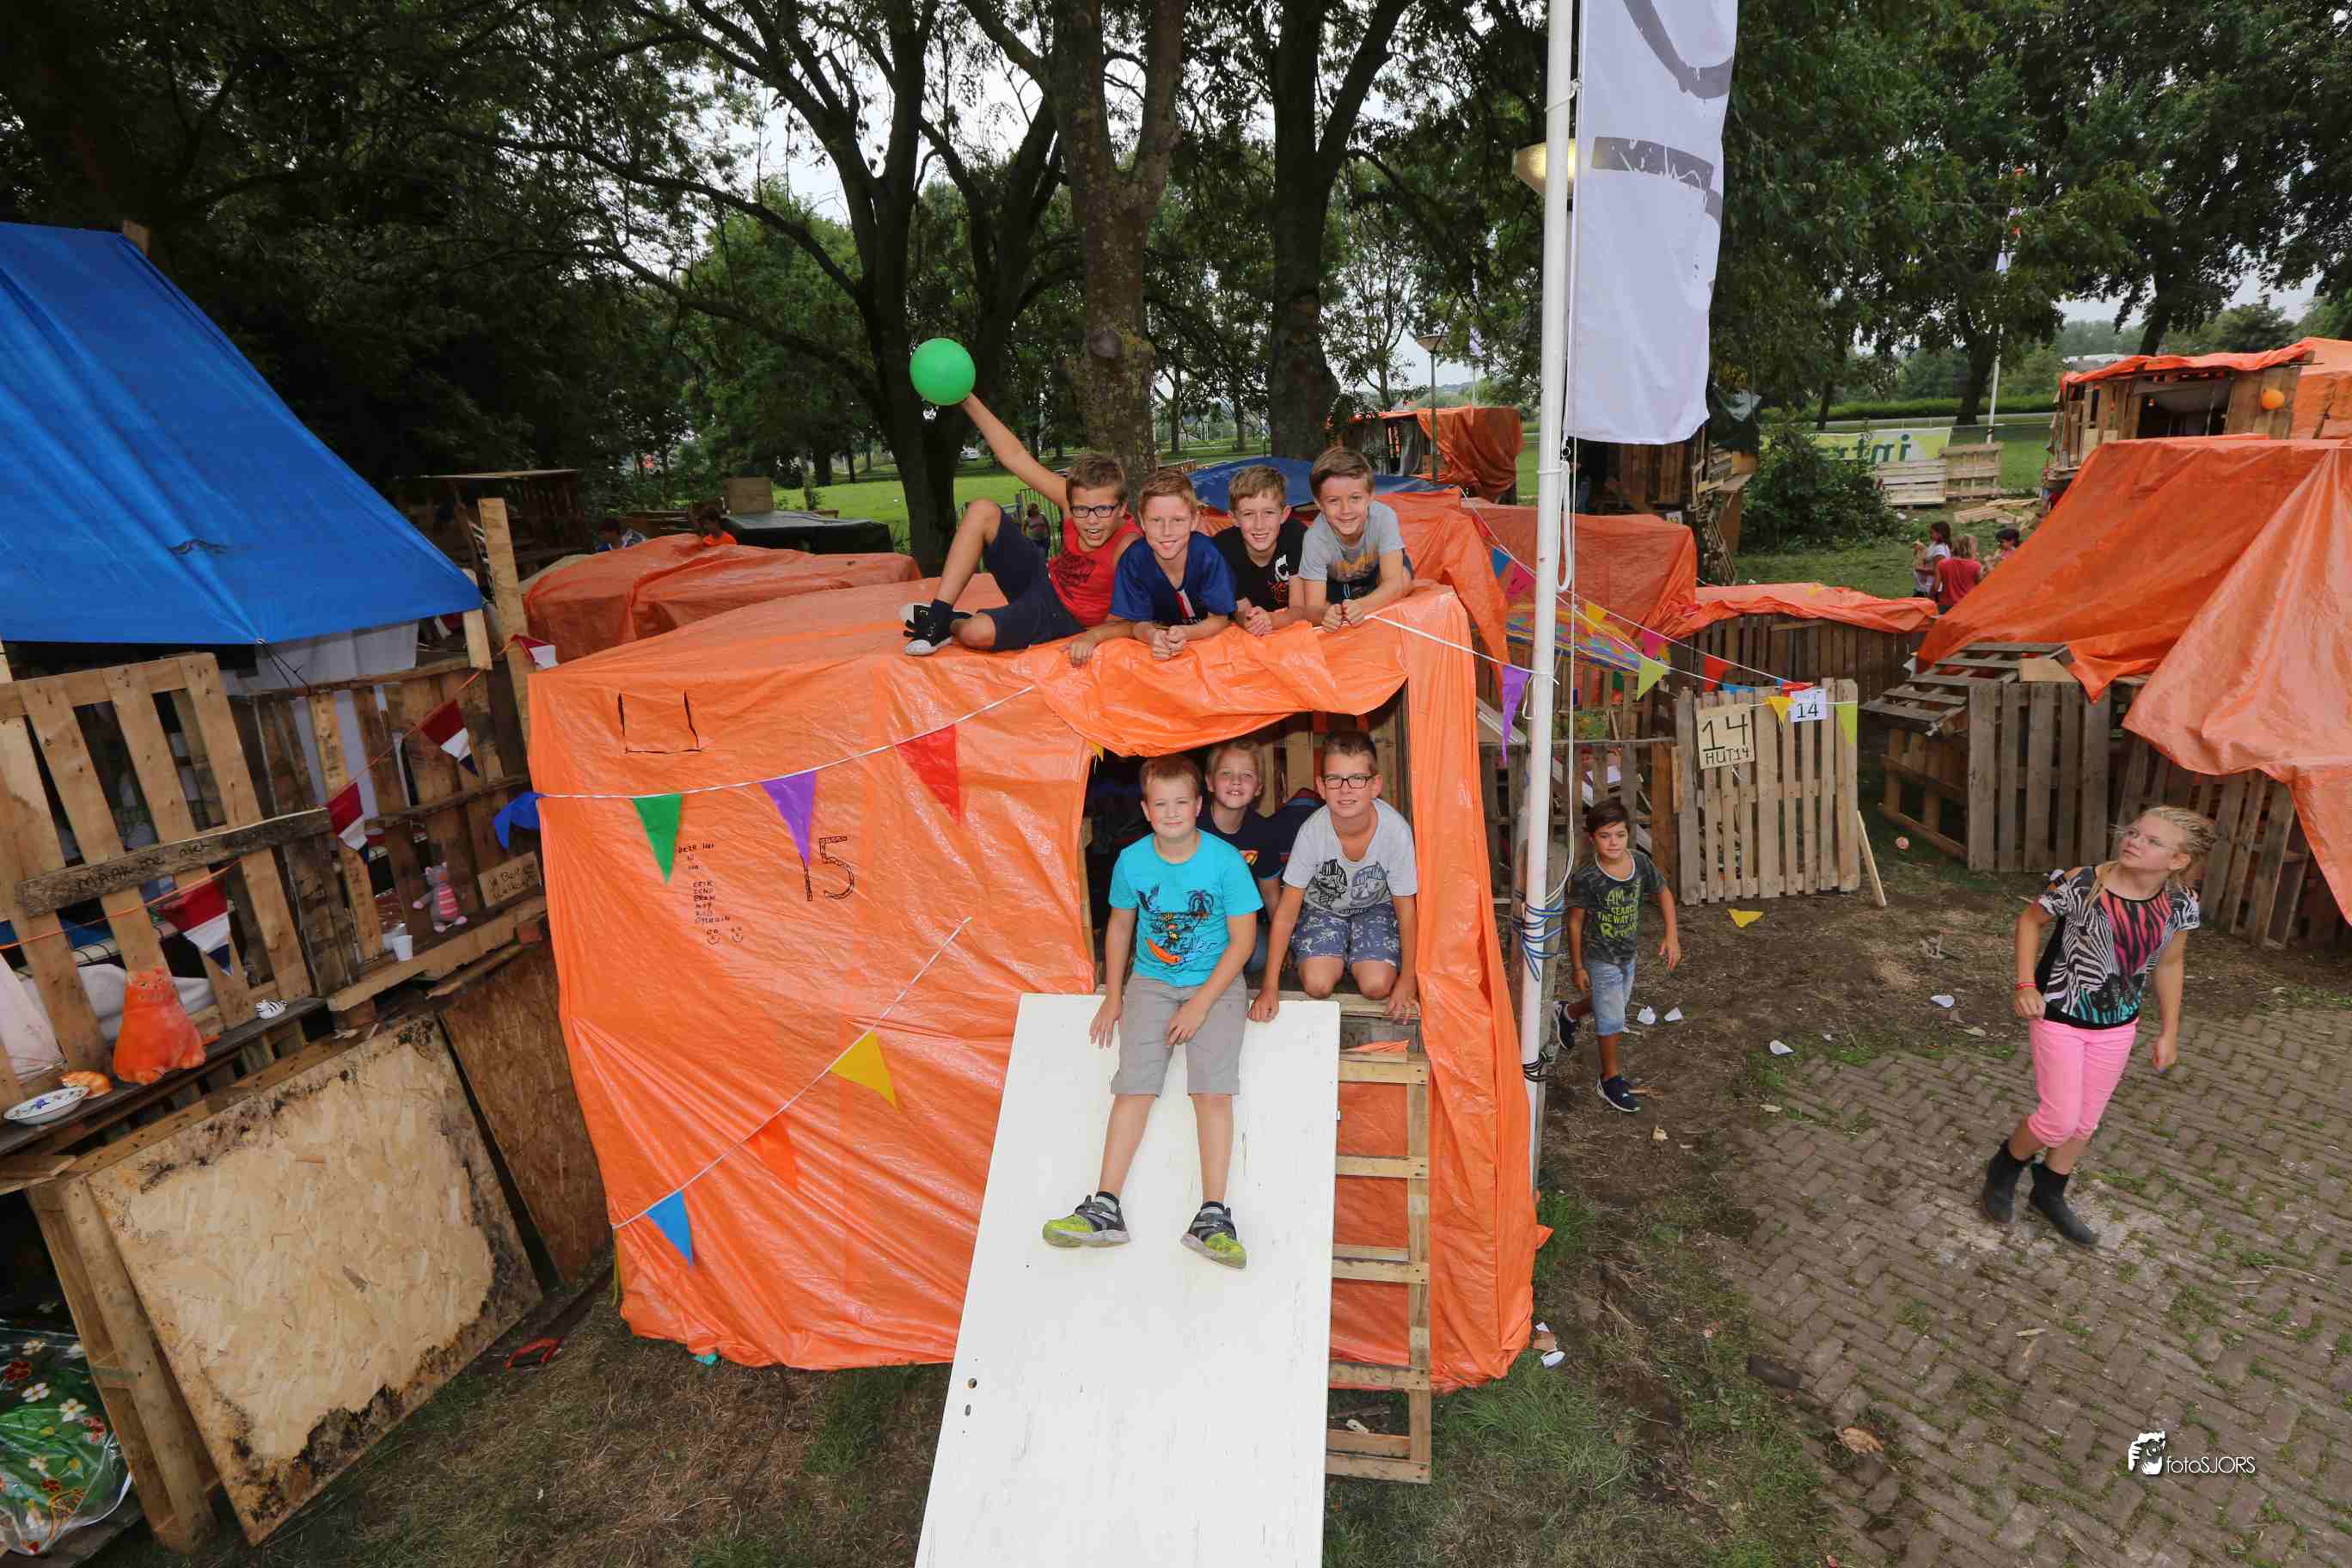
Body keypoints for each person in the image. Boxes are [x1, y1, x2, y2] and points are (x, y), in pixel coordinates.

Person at [1044, 754, 1262, 1269]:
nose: (1171, 813)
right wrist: (1114, 994)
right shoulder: (1132, 861)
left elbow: (1243, 942)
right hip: (1151, 980)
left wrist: (1202, 1005)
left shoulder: (1225, 861)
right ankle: (1105, 1207)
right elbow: (1121, 925)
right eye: (1160, 805)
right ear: (1145, 810)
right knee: (1133, 1088)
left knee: (1212, 1092)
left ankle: (1213, 1215)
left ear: (1198, 805)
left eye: (1181, 803)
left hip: (1216, 982)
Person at [1980, 809, 2212, 1247]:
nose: (2134, 841)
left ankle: (2049, 1193)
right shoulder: (2083, 883)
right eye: (2134, 832)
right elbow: (2029, 921)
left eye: (2153, 841)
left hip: (2119, 1024)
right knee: (2057, 1121)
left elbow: (2171, 963)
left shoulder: (2182, 902)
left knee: (2085, 1123)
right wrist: (2026, 984)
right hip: (2059, 1016)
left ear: (2178, 860)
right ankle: (2005, 1165)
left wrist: (2169, 1032)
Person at [906, 395, 1140, 660]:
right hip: (1043, 577)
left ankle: (953, 622)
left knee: (975, 632)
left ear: (1121, 507)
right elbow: (1015, 456)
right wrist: (966, 399)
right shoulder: (1076, 498)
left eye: (1103, 510)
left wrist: (1094, 637)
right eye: (1081, 510)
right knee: (982, 510)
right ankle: (937, 617)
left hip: (1063, 615)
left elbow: (1136, 618)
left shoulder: (1129, 546)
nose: (1092, 521)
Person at [1251, 729, 1418, 1022]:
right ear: (1321, 786)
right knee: (1317, 985)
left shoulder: (1395, 832)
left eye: (1357, 779)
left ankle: (1360, 954)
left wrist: (1408, 979)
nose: (1345, 789)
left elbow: (1406, 911)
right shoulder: (1312, 833)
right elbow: (1287, 911)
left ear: (1375, 785)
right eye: (1334, 779)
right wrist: (1270, 986)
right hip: (1323, 909)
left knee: (1377, 986)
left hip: (1375, 908)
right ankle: (1338, 952)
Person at [1557, 800, 1681, 1113]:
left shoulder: (1639, 862)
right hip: (1600, 957)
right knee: (1612, 1017)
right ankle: (1609, 1079)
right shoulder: (1588, 877)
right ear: (1592, 839)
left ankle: (1568, 1013)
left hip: (1628, 953)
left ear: (1629, 834)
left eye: (1620, 835)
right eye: (1605, 836)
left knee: (1611, 1003)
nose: (1613, 843)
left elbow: (1663, 892)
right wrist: (1577, 967)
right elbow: (1574, 922)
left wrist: (1672, 936)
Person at [1094, 469, 1234, 665]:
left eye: (1178, 520)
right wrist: (1152, 636)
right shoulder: (1134, 561)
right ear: (1142, 522)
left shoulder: (1207, 555)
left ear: (1194, 520)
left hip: (1209, 645)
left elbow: (1220, 619)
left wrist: (1186, 633)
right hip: (1161, 642)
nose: (1166, 531)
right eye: (1156, 520)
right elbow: (1137, 624)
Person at [1297, 449, 1414, 631]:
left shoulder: (1384, 517)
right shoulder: (1314, 539)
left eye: (1355, 498)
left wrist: (1362, 606)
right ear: (1319, 504)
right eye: (1334, 501)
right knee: (1328, 609)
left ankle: (1364, 599)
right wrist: (1326, 615)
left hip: (1376, 573)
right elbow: (1313, 608)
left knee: (1404, 579)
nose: (1346, 510)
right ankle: (1349, 604)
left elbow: (1394, 582)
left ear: (1370, 495)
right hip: (1337, 583)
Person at [1199, 741, 1286, 980]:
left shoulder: (1264, 833)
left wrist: (1283, 945)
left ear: (1259, 787)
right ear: (1210, 782)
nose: (1236, 781)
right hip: (1193, 918)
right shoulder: (1192, 825)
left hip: (1239, 923)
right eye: (1226, 773)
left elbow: (1271, 894)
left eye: (1246, 775)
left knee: (1258, 955)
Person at [1214, 465, 1309, 637]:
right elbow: (1240, 610)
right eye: (1248, 514)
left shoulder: (1296, 536)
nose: (1259, 525)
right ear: (1234, 518)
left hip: (1286, 623)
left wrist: (1271, 620)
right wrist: (1250, 621)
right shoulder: (1222, 549)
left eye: (1269, 513)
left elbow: (1299, 608)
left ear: (1284, 515)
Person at [1934, 534, 1985, 609]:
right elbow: (1981, 585)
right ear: (1971, 549)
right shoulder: (1976, 566)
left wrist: (1930, 597)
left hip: (1945, 604)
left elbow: (1935, 587)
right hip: (1967, 605)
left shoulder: (1942, 564)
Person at [1910, 518, 1952, 598]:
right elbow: (1929, 558)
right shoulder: (1934, 544)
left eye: (1931, 532)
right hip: (1923, 587)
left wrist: (1918, 569)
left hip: (1932, 589)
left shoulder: (1940, 549)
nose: (1929, 535)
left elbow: (1937, 571)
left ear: (1940, 534)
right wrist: (1922, 549)